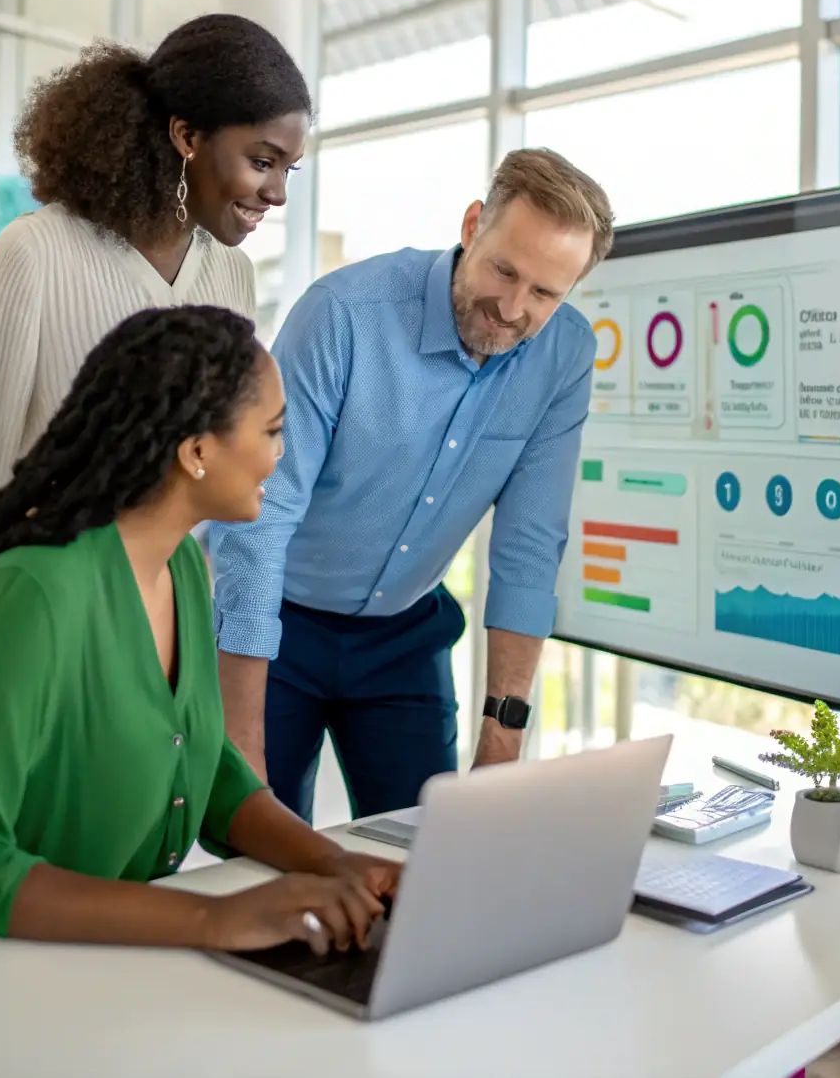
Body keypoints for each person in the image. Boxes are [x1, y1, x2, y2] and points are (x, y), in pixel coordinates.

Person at [0, 306, 399, 956]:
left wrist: (334, 863)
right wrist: (210, 919)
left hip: (103, 968)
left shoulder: (183, 566)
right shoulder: (31, 596)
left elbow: (207, 766)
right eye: (273, 430)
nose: (283, 453)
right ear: (196, 452)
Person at [212, 148, 615, 822]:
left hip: (404, 631)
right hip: (277, 619)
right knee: (258, 847)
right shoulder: (344, 313)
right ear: (472, 226)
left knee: (434, 848)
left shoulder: (564, 355)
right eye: (503, 270)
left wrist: (502, 738)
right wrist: (242, 740)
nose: (512, 308)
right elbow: (262, 518)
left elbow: (529, 545)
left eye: (544, 293)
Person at [0, 13, 311, 569]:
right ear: (187, 137)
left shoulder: (231, 275)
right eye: (261, 161)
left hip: (170, 600)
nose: (276, 193)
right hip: (51, 602)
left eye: (288, 170)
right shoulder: (36, 253)